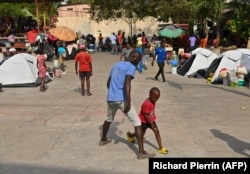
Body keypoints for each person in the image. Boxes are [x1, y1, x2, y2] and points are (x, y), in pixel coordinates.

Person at [99, 50, 155, 160]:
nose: (138, 62)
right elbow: (127, 83)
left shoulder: (116, 65)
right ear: (132, 57)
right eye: (138, 60)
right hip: (121, 99)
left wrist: (112, 93)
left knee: (109, 118)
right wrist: (128, 101)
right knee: (137, 122)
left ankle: (103, 139)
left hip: (111, 98)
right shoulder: (131, 67)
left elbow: (108, 83)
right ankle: (141, 152)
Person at [126, 87, 168, 154]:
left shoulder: (153, 100)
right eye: (155, 97)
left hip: (151, 120)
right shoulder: (147, 104)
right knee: (140, 135)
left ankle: (161, 147)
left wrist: (152, 122)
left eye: (157, 98)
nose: (156, 100)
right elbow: (145, 116)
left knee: (156, 131)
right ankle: (130, 135)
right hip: (144, 122)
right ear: (150, 95)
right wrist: (151, 123)